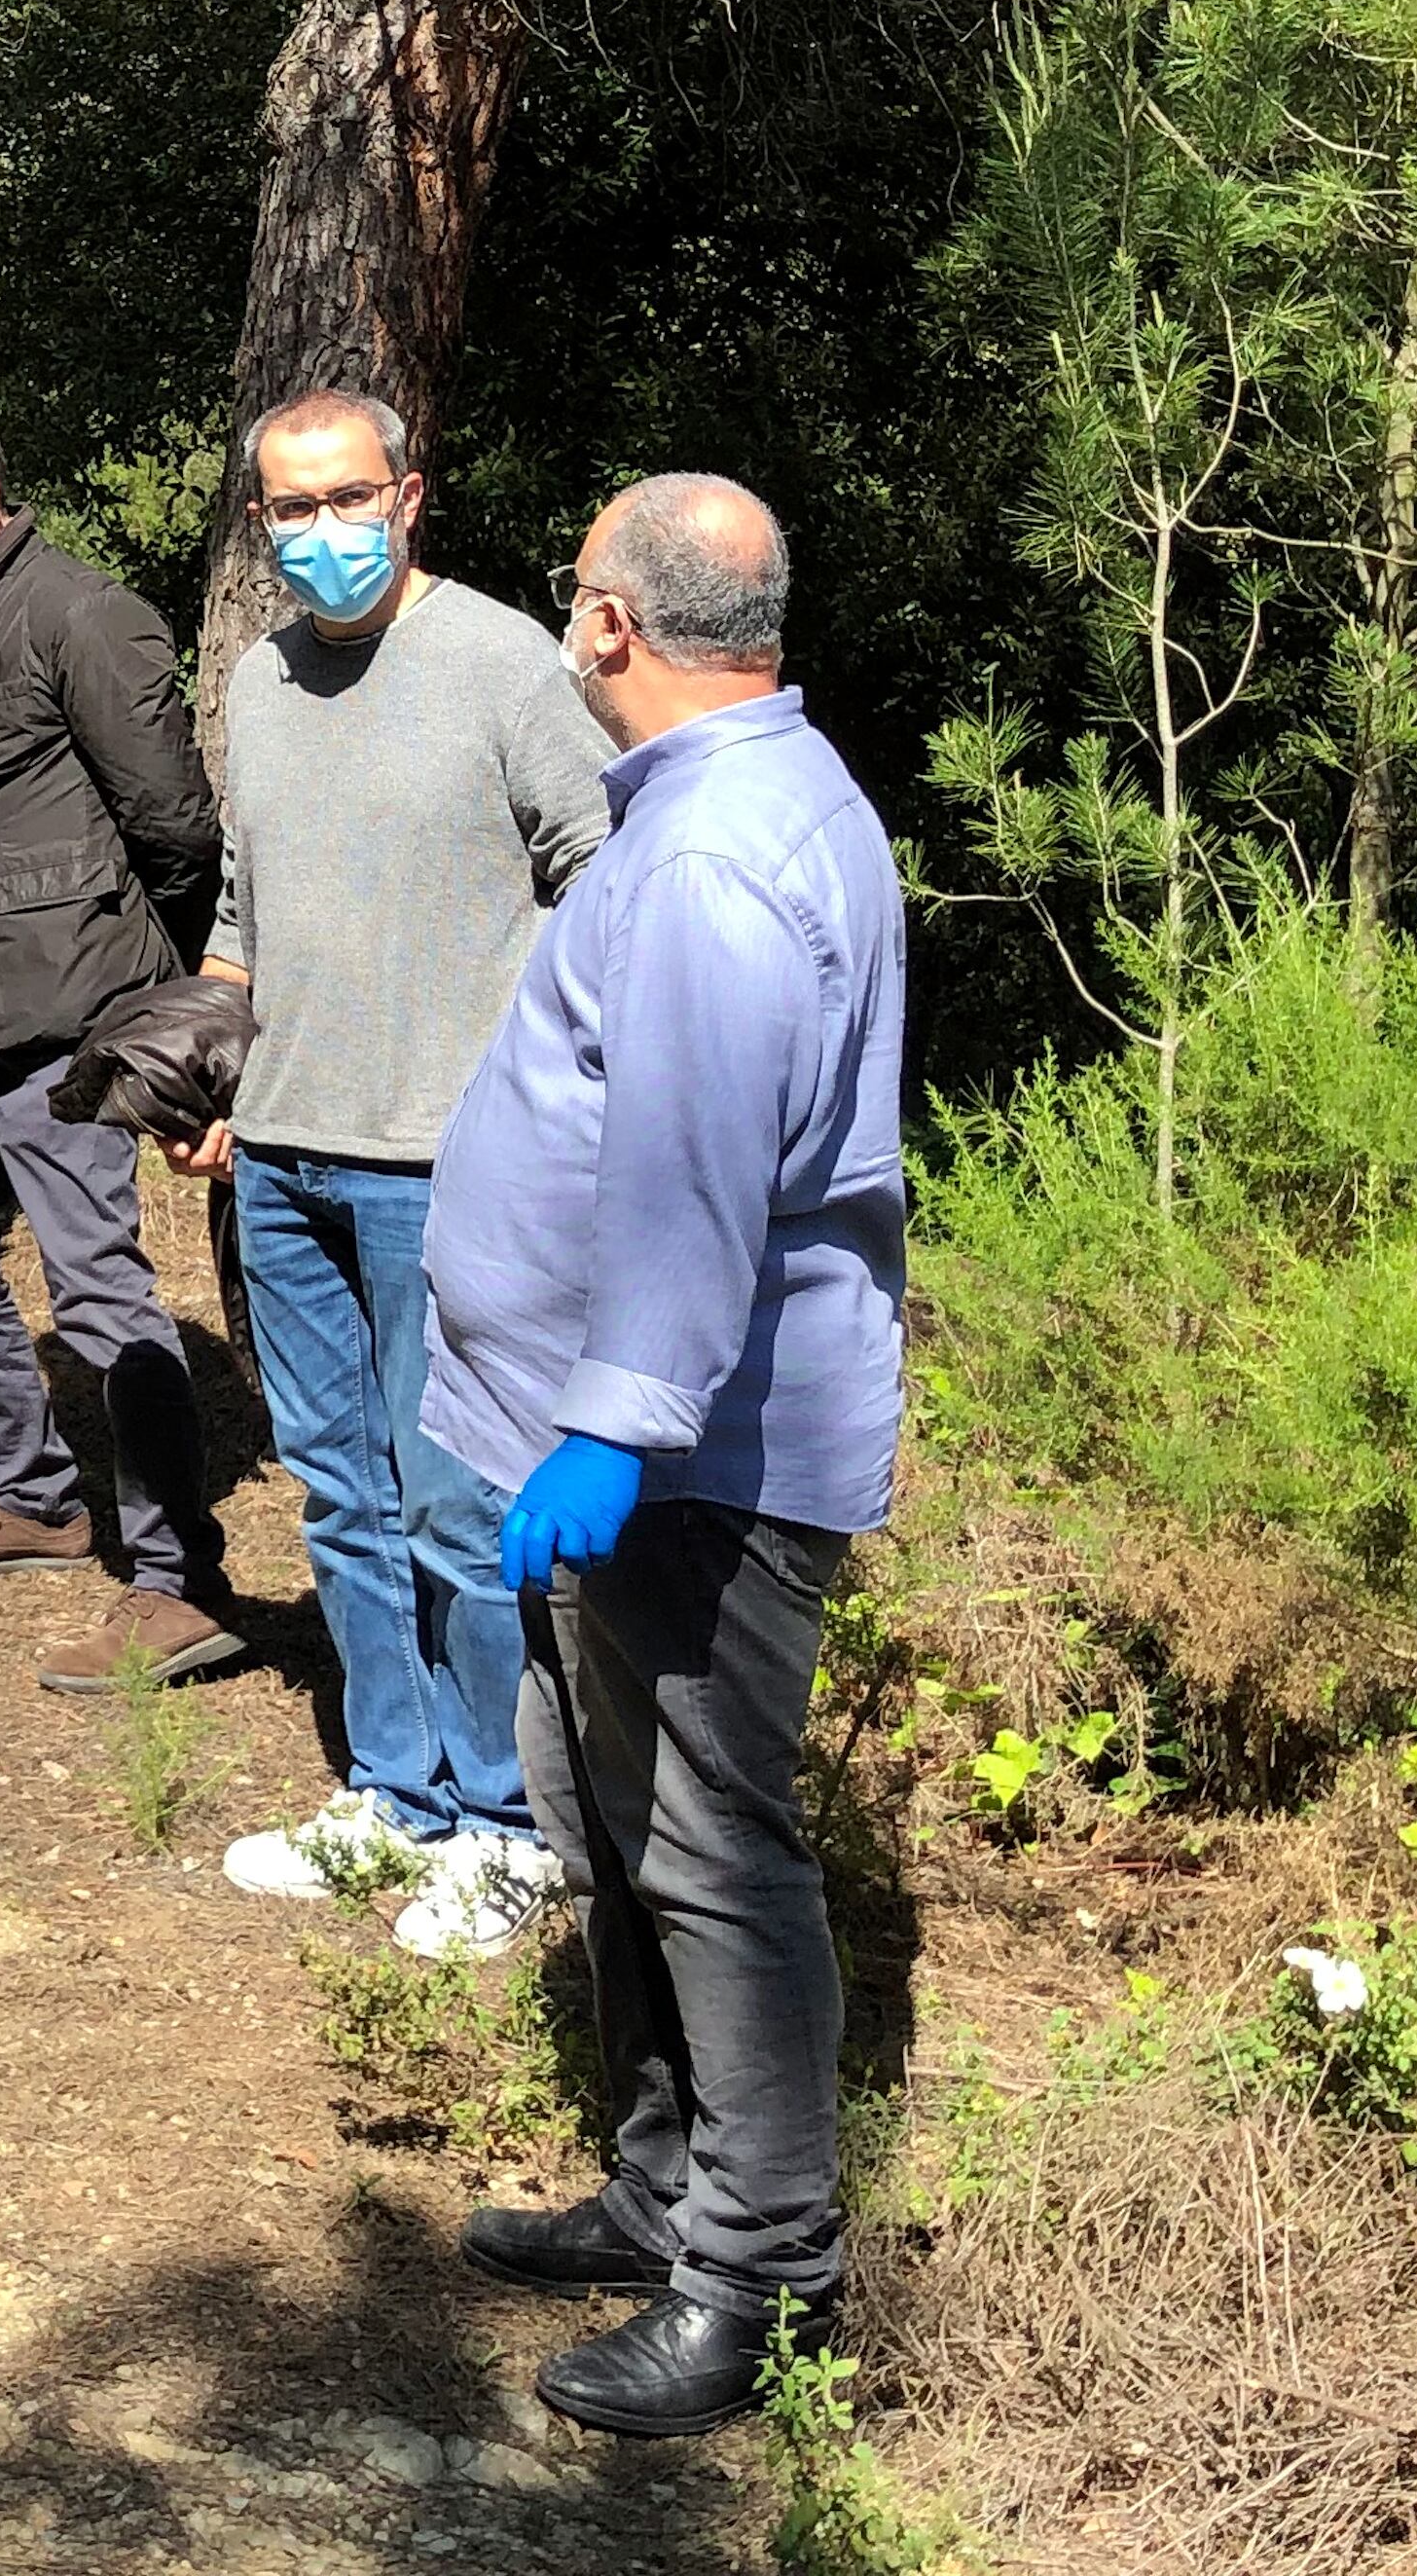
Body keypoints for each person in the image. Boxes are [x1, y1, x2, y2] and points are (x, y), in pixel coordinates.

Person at [423, 473, 905, 2439]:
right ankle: (661, 2187)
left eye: (573, 593)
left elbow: (698, 1172)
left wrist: (614, 1420)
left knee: (711, 1849)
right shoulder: (723, 801)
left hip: (695, 1459)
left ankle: (763, 2278)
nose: (567, 622)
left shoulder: (715, 854)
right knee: (607, 1807)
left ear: (612, 623)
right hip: (621, 1438)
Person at [175, 388, 612, 1962]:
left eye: (347, 498)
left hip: (450, 1165)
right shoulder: (262, 678)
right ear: (259, 521)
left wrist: (539, 1082)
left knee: (458, 1498)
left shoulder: (504, 662)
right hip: (283, 1156)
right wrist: (202, 1060)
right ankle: (395, 1792)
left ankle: (508, 1824)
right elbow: (243, 908)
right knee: (340, 1492)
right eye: (290, 507)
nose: (322, 531)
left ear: (409, 496)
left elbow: (600, 874)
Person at [0, 395, 236, 1687]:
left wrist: (132, 984)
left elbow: (176, 830)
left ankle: (180, 1576)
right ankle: (35, 1494)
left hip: (67, 1014)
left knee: (96, 1288)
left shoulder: (80, 613)